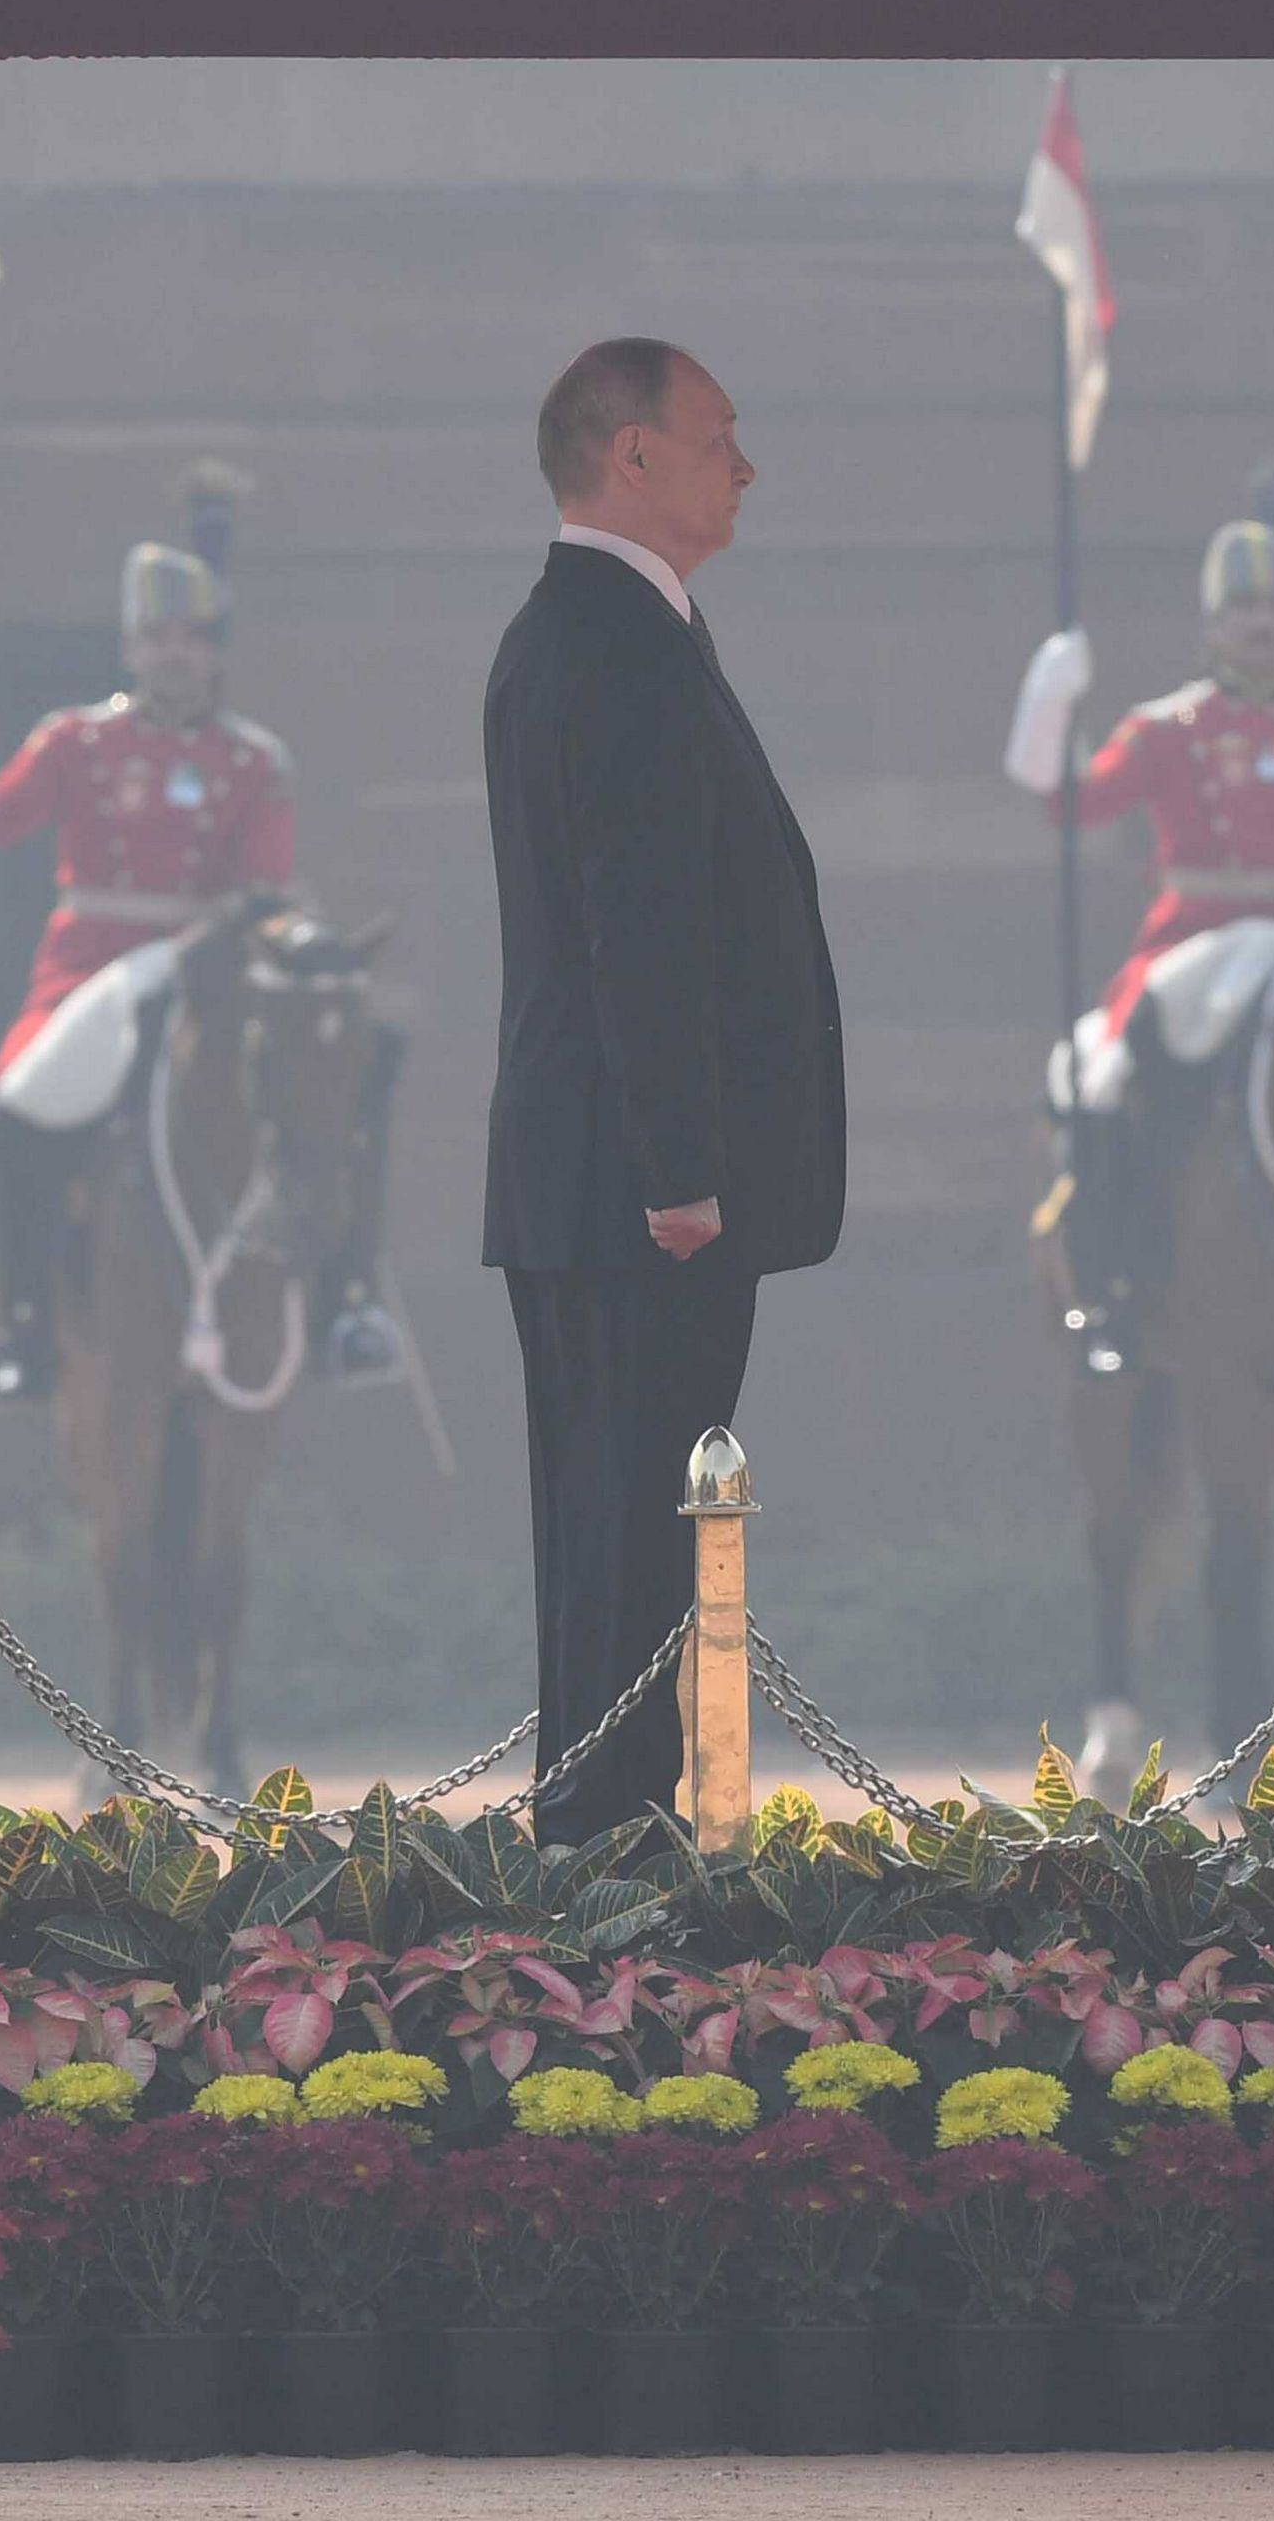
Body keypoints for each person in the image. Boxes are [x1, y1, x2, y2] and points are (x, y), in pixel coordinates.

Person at [482, 338, 845, 1843]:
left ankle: (610, 1839)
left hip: (603, 1182)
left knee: (620, 1542)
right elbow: (640, 933)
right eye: (716, 436)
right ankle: (612, 1856)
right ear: (630, 454)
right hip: (638, 1198)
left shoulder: (615, 629)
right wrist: (681, 1169)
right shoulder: (616, 646)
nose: (743, 466)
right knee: (629, 1545)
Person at [1000, 510, 1274, 1374]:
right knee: (1104, 1080)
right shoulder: (1165, 730)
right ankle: (1107, 1282)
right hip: (1190, 943)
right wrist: (1050, 701)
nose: (1262, 624)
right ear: (1213, 625)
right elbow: (1070, 804)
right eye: (1245, 608)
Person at [0, 529, 295, 1400]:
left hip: (203, 968)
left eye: (192, 639)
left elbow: (265, 892)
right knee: (8, 1126)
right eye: (157, 637)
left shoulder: (252, 761)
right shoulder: (77, 743)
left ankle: (344, 1309)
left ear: (214, 653)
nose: (174, 654)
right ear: (131, 647)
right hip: (88, 973)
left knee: (326, 1099)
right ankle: (17, 1324)